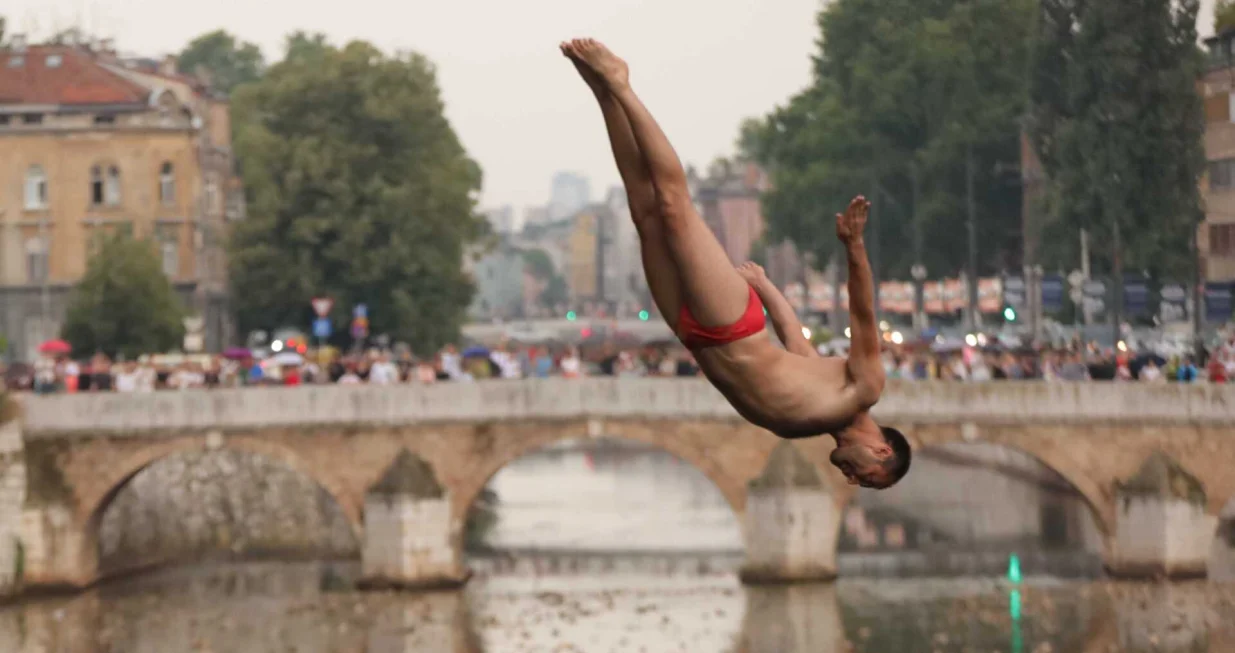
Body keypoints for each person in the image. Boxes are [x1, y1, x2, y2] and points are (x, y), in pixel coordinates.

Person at [562, 38, 910, 489]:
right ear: (882, 450)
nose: (852, 479)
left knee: (645, 215)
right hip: (731, 326)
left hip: (694, 336)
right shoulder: (866, 388)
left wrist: (766, 287)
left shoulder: (824, 404)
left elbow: (795, 342)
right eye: (867, 477)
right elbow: (863, 313)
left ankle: (603, 94)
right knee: (672, 206)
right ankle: (623, 86)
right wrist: (853, 247)